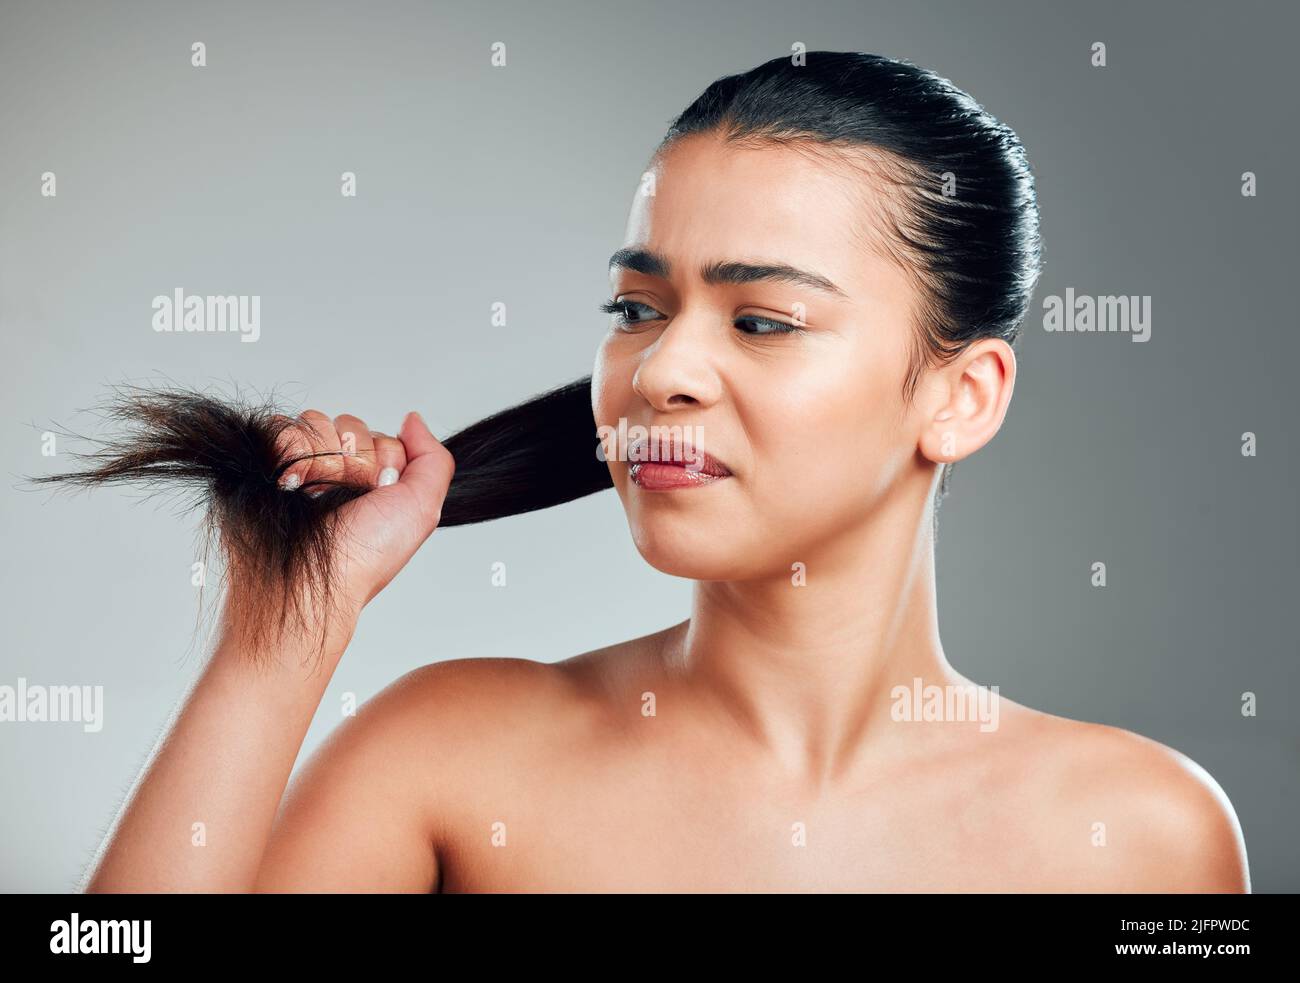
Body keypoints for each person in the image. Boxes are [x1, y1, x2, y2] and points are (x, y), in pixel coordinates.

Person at [69, 51, 1249, 892]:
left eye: (764, 320)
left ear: (960, 395)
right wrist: (284, 627)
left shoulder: (1137, 831)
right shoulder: (448, 754)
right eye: (637, 306)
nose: (661, 369)